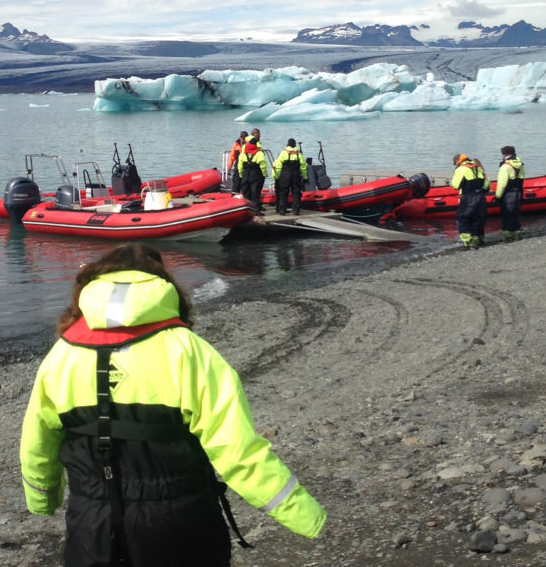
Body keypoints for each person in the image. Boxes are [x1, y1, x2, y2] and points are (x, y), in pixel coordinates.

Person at [20, 244, 326, 567]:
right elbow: (240, 453)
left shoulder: (60, 358)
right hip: (180, 527)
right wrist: (305, 515)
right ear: (165, 288)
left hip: (91, 528)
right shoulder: (190, 353)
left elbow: (36, 444)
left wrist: (43, 499)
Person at [451, 153, 490, 248]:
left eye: (455, 163)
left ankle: (467, 241)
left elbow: (455, 185)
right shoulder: (478, 168)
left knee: (464, 218)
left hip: (468, 197)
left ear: (458, 161)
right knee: (478, 218)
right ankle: (478, 239)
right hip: (480, 197)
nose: (455, 165)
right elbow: (486, 186)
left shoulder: (461, 169)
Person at [494, 145, 526, 242]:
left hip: (508, 194)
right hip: (518, 192)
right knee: (516, 213)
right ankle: (517, 233)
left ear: (504, 154)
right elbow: (522, 178)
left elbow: (502, 184)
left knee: (507, 214)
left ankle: (508, 235)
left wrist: (498, 196)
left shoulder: (505, 166)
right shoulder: (520, 165)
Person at [272, 138, 308, 215]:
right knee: (296, 193)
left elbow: (278, 166)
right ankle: (296, 210)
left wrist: (277, 177)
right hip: (296, 175)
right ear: (295, 145)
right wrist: (305, 177)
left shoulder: (283, 153)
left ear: (287, 145)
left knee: (283, 192)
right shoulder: (299, 154)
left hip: (285, 175)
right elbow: (303, 167)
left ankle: (282, 210)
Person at [237, 135, 268, 212]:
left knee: (245, 193)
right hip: (256, 176)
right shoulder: (259, 154)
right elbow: (263, 165)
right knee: (255, 193)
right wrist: (264, 174)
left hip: (245, 175)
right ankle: (256, 210)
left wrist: (241, 174)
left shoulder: (243, 153)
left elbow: (240, 166)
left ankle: (246, 210)